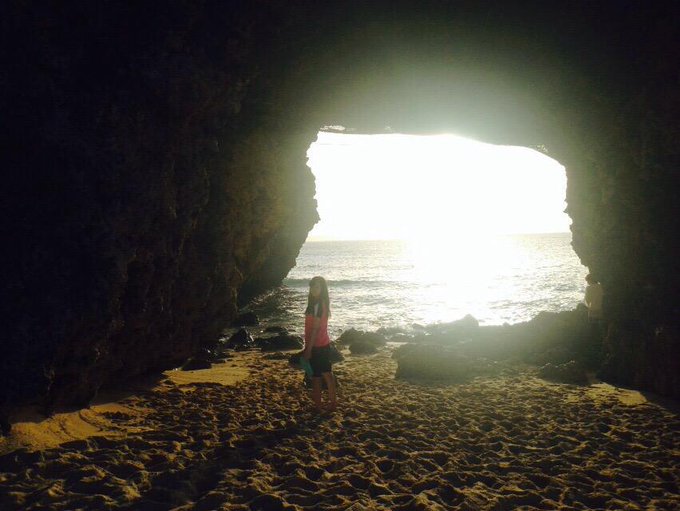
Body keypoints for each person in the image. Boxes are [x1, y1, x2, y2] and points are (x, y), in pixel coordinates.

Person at [303, 276, 337, 412]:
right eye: (312, 286)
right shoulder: (317, 303)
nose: (313, 289)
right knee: (323, 375)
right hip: (321, 344)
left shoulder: (318, 305)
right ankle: (324, 404)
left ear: (322, 289)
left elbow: (315, 329)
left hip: (318, 346)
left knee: (320, 376)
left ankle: (325, 404)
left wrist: (308, 349)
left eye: (317, 287)